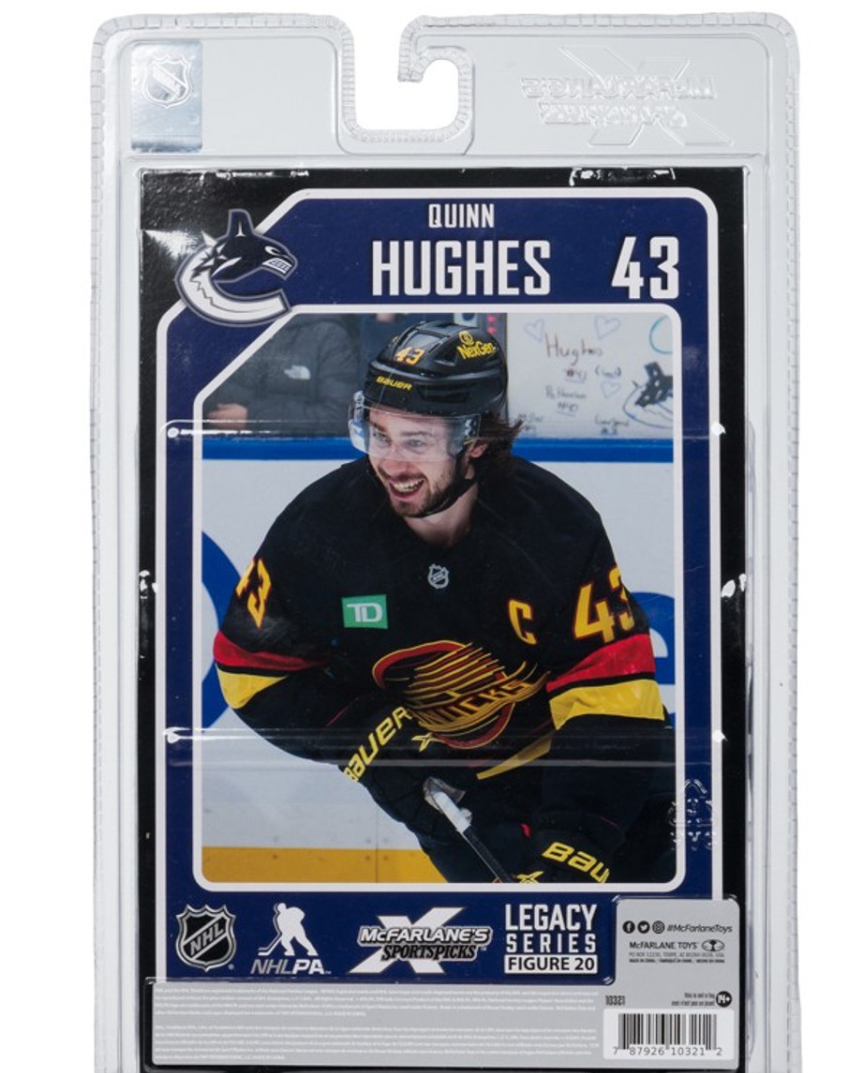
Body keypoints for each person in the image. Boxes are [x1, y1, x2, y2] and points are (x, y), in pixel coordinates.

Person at [213, 322, 675, 884]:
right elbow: (250, 671)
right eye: (378, 434)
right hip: (452, 794)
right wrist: (374, 742)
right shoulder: (319, 530)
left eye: (417, 442)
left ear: (476, 440)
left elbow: (612, 696)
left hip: (598, 778)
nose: (391, 463)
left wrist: (577, 841)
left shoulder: (555, 527)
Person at [203, 313, 359, 436]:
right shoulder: (222, 324)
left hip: (302, 457)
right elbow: (206, 399)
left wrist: (254, 417)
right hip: (225, 452)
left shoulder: (328, 334)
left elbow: (339, 415)